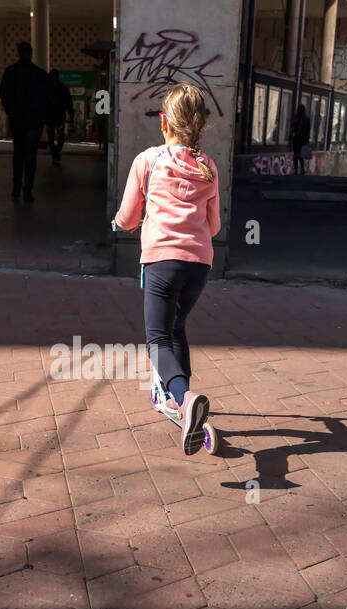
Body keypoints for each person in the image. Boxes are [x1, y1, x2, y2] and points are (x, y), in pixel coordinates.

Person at [113, 84, 220, 455]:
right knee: (177, 328)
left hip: (162, 262)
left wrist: (121, 222)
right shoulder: (208, 167)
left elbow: (128, 218)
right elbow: (215, 226)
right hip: (200, 265)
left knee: (157, 340)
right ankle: (182, 399)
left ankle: (186, 398)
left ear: (164, 123)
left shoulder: (148, 161)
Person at [0, 42, 51, 202]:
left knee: (18, 153)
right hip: (34, 121)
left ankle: (16, 188)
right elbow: (47, 98)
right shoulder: (41, 75)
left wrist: (10, 111)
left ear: (18, 52)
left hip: (17, 119)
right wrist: (42, 117)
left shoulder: (10, 73)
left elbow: (3, 94)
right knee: (31, 155)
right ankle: (28, 190)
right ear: (31, 53)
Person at [46, 69, 74, 166]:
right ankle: (55, 154)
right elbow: (69, 103)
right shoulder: (49, 88)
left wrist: (71, 115)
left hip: (57, 117)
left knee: (59, 137)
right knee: (53, 137)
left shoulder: (61, 88)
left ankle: (55, 153)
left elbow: (69, 103)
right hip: (51, 117)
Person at [290, 103, 311, 175]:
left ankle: (298, 169)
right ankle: (300, 169)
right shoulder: (303, 118)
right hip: (299, 139)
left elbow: (293, 127)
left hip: (300, 139)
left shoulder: (299, 118)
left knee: (297, 154)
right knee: (297, 154)